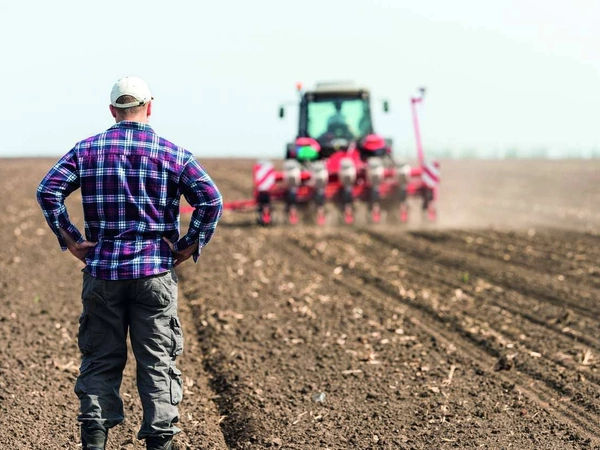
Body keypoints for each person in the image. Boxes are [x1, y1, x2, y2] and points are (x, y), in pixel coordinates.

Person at [36, 76, 223, 450]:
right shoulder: (173, 153)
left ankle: (94, 441)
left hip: (102, 273)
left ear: (112, 111)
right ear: (149, 107)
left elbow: (48, 190)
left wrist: (71, 239)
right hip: (154, 272)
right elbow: (211, 200)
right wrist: (187, 246)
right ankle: (160, 442)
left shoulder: (87, 150)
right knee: (157, 362)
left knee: (100, 360)